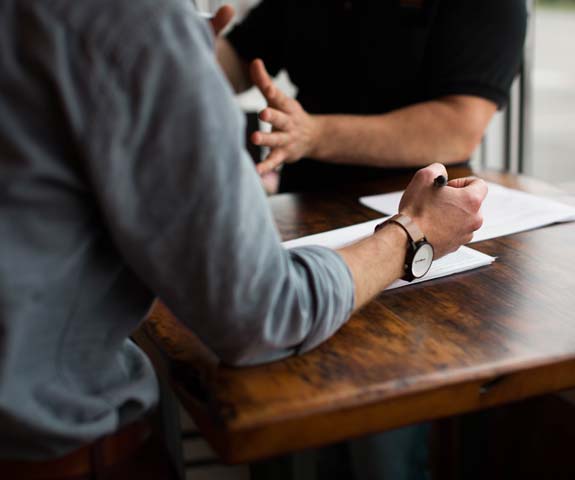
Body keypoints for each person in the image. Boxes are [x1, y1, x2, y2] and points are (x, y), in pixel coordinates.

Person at [0, 0, 487, 477]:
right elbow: (262, 311)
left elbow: (461, 124)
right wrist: (414, 233)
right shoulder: (131, 18)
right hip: (52, 445)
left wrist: (179, 63)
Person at [217, 0, 528, 192]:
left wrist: (312, 134)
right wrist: (184, 52)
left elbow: (457, 128)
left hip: (419, 210)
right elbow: (239, 58)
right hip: (306, 201)